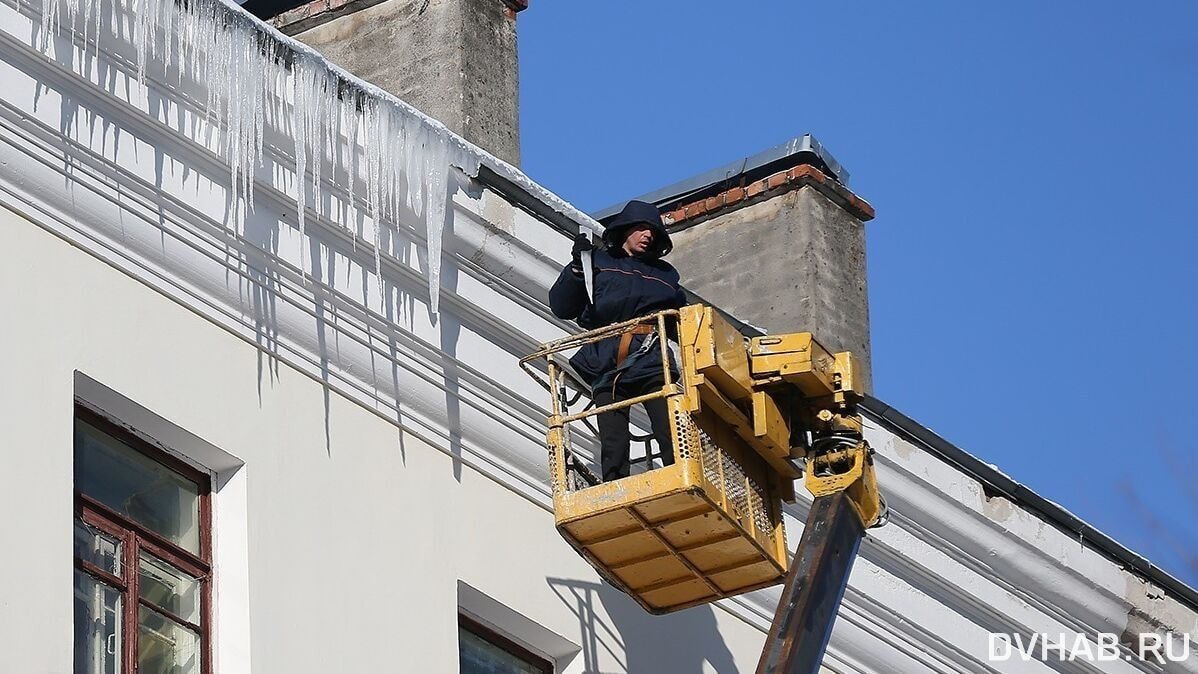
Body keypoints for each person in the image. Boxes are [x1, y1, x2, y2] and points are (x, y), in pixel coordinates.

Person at [548, 200, 687, 481]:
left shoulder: (665, 274)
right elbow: (562, 307)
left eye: (653, 232)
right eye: (641, 229)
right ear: (625, 230)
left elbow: (682, 320)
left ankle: (680, 476)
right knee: (614, 439)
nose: (648, 235)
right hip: (606, 359)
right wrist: (577, 269)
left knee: (668, 424)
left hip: (650, 357)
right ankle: (615, 484)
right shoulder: (597, 262)